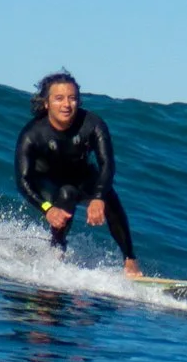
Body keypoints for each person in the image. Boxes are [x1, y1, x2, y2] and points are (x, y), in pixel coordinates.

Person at [14, 72, 143, 278]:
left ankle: (130, 260)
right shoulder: (33, 134)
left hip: (81, 176)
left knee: (109, 196)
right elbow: (23, 180)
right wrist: (47, 209)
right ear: (46, 103)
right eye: (59, 98)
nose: (67, 104)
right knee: (66, 193)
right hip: (48, 184)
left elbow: (107, 165)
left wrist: (98, 197)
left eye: (72, 98)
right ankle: (57, 253)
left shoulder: (92, 124)